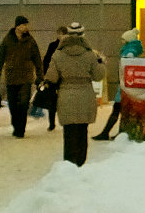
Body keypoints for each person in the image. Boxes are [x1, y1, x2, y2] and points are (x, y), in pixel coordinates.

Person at [44, 22, 105, 167]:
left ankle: (69, 164)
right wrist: (101, 64)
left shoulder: (58, 54)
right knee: (82, 132)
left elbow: (51, 77)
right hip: (85, 95)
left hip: (66, 96)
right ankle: (80, 163)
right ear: (83, 35)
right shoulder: (90, 54)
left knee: (69, 133)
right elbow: (97, 76)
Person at [0, 15, 43, 138]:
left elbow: (37, 58)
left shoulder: (30, 41)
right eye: (24, 25)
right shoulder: (7, 40)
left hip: (26, 77)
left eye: (26, 25)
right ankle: (16, 125)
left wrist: (40, 75)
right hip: (11, 77)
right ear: (17, 26)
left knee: (24, 104)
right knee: (13, 105)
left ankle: (21, 130)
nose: (26, 27)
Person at [93, 28, 144, 141]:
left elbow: (127, 68)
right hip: (127, 85)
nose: (121, 41)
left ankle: (106, 133)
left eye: (123, 39)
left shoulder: (129, 52)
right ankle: (120, 133)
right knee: (122, 111)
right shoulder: (132, 50)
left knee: (116, 109)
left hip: (125, 86)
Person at [41, 26, 67, 131]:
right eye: (61, 34)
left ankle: (62, 121)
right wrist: (46, 74)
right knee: (52, 100)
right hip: (54, 76)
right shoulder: (53, 46)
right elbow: (46, 60)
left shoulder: (66, 47)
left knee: (63, 100)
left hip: (64, 76)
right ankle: (52, 123)